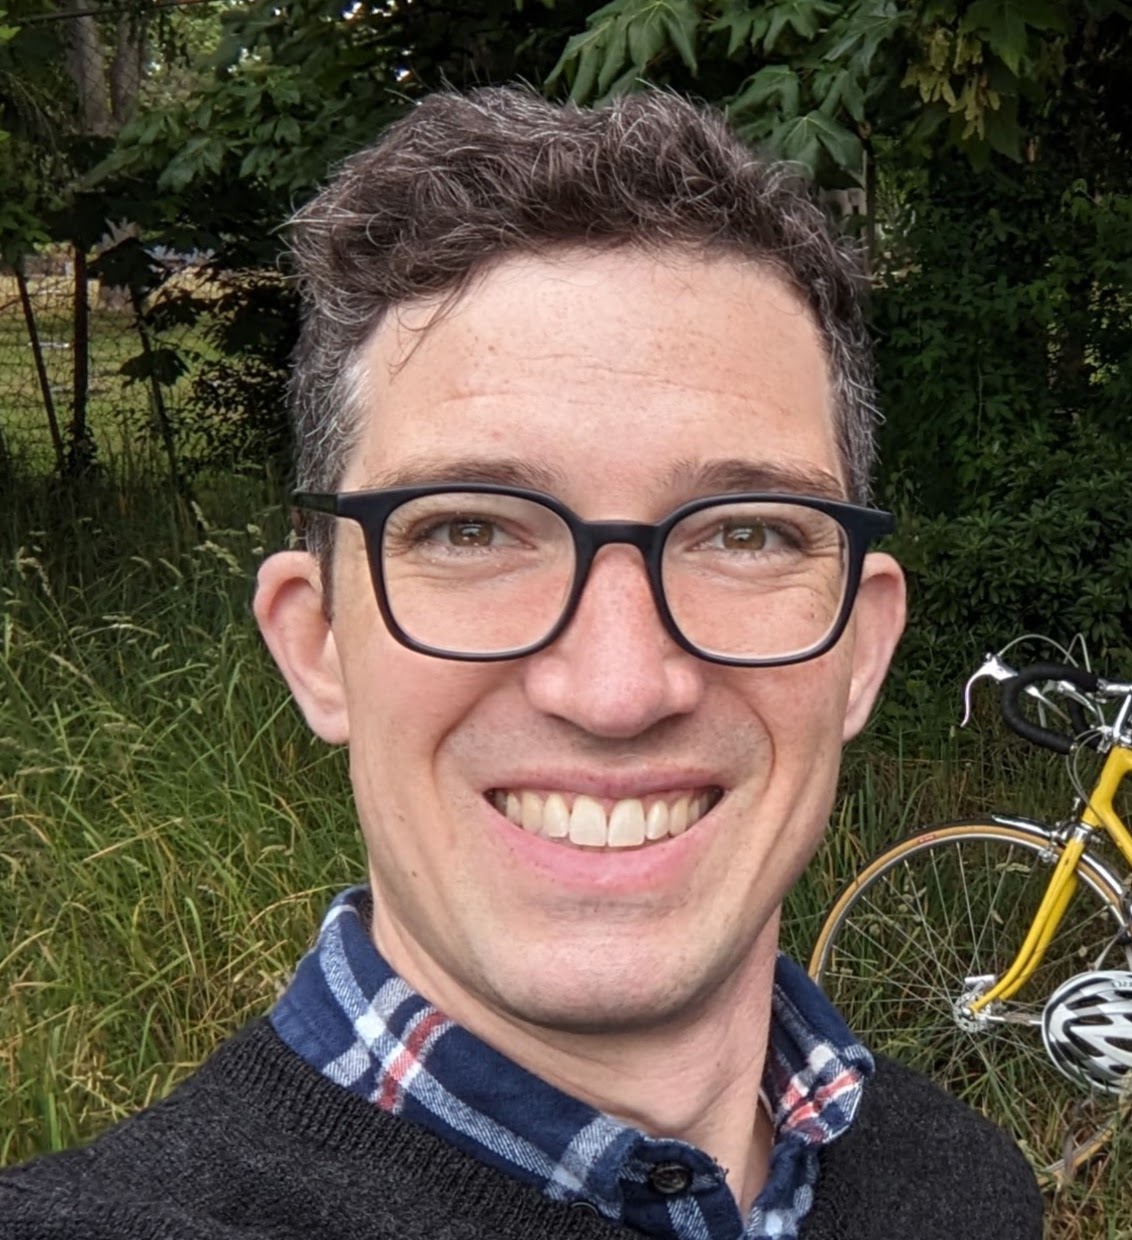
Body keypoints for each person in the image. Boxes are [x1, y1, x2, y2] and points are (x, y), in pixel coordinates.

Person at [0, 86, 1042, 1239]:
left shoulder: (963, 1183)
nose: (616, 688)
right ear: (317, 642)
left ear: (859, 647)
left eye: (744, 533)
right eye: (471, 529)